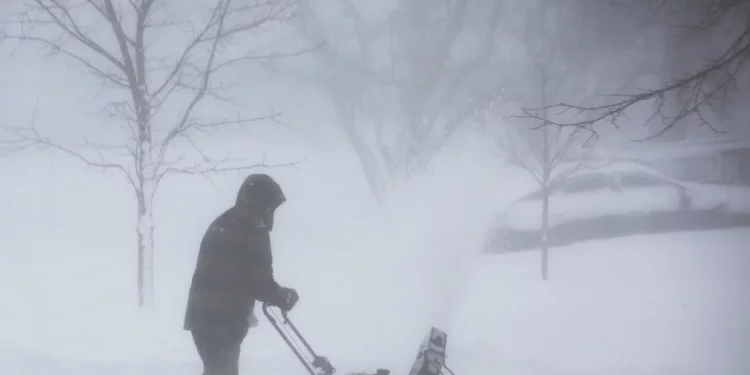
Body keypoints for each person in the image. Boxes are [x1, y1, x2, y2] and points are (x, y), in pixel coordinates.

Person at [184, 173, 299, 375]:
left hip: (201, 317)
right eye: (271, 206)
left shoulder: (225, 221)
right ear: (264, 202)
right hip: (223, 321)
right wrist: (283, 296)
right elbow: (258, 281)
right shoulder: (253, 226)